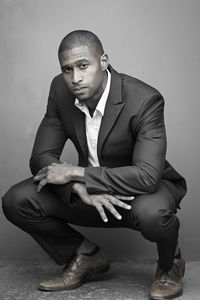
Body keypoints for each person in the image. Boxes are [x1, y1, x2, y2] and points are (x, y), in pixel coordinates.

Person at [2, 30, 187, 300]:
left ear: (103, 61)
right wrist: (78, 187)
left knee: (154, 215)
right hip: (89, 196)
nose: (75, 78)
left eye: (83, 66)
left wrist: (79, 174)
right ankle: (86, 256)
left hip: (137, 193)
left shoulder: (144, 99)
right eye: (67, 69)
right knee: (16, 200)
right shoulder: (60, 89)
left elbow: (147, 176)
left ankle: (171, 265)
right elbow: (41, 157)